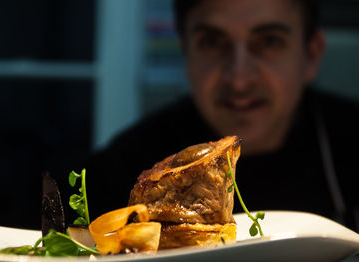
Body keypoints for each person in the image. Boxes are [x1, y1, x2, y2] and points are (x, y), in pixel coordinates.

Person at [76, 0, 359, 231]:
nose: (239, 78)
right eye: (212, 42)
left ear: (311, 55)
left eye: (270, 42)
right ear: (186, 53)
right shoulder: (122, 169)